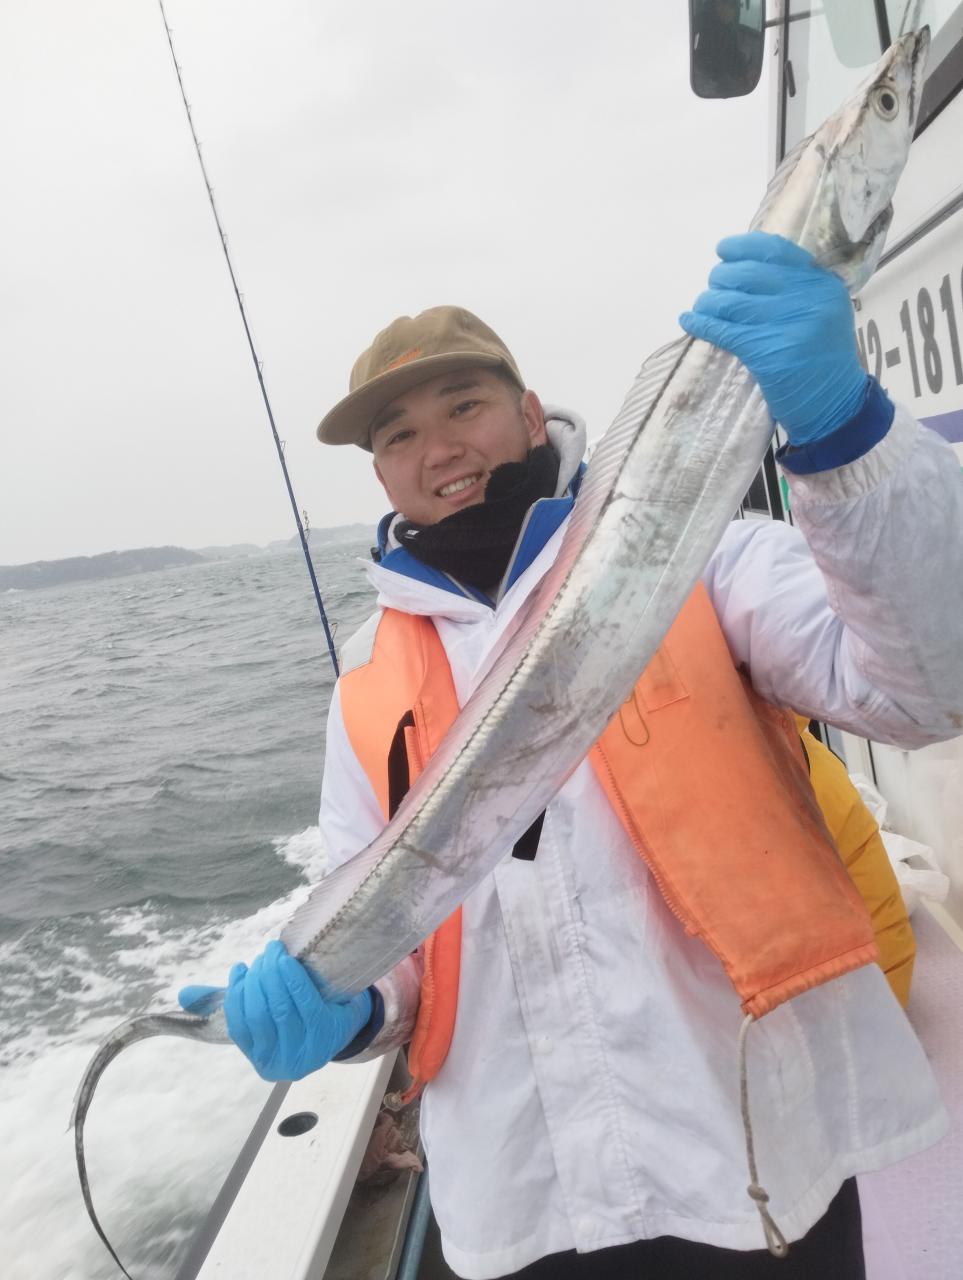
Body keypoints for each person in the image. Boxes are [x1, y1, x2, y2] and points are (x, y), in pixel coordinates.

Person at [181, 232, 963, 1279]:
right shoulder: (365, 679)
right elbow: (388, 926)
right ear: (380, 472)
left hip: (761, 1153)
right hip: (525, 1205)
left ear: (528, 409)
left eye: (463, 405)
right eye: (399, 434)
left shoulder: (693, 551)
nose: (437, 448)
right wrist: (356, 1005)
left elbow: (923, 684)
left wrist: (846, 435)